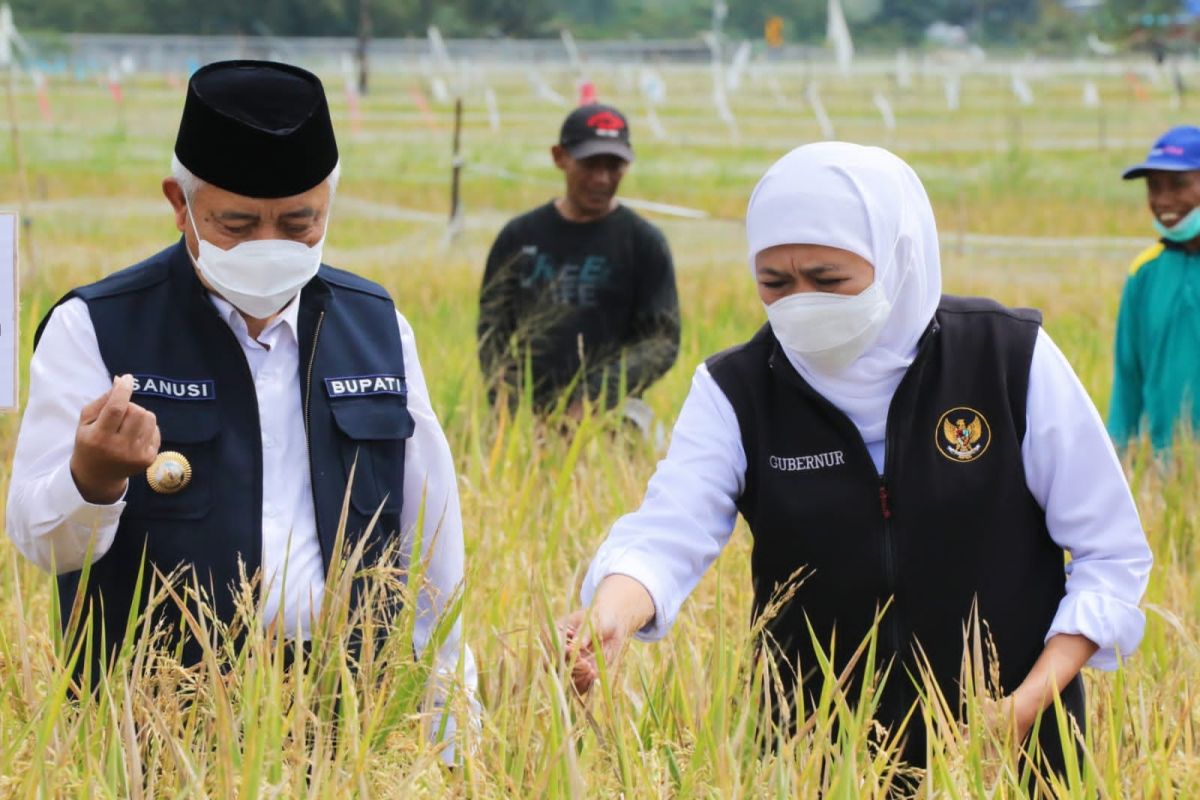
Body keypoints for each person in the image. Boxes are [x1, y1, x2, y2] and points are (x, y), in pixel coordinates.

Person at [562, 143, 1152, 777]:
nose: (801, 303)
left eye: (829, 279)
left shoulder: (1005, 358)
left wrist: (1026, 703)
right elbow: (668, 530)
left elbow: (1108, 554)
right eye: (775, 283)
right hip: (814, 747)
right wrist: (612, 612)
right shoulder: (738, 388)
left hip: (1011, 743)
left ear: (896, 257)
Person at [6, 60, 475, 753]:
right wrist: (93, 479)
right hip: (157, 726)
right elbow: (40, 541)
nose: (268, 247)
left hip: (343, 722)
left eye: (298, 223)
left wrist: (448, 731)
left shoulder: (377, 330)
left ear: (329, 206)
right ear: (179, 202)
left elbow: (431, 548)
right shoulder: (97, 328)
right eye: (236, 223)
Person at [476, 103, 680, 421]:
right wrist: (512, 408)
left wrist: (595, 396)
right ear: (560, 157)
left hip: (614, 410)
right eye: (589, 164)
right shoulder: (519, 237)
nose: (601, 178)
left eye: (614, 166)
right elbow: (492, 331)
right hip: (526, 411)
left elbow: (662, 341)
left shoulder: (644, 242)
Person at [1109, 125, 1200, 452]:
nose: (1163, 200)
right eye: (1153, 186)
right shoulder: (1143, 273)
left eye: (1179, 184)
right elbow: (1128, 379)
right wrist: (1118, 458)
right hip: (1168, 473)